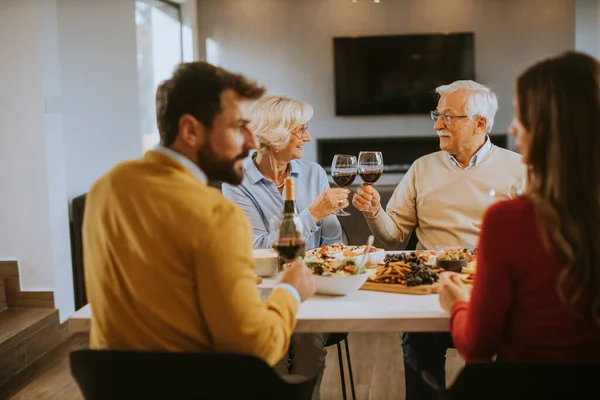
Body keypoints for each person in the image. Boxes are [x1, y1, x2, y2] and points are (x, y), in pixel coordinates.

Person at [83, 62, 316, 369]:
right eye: (237, 127)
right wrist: (289, 290)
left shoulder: (107, 187)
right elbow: (259, 347)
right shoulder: (218, 214)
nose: (251, 141)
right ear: (190, 130)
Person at [352, 80, 526, 399]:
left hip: (492, 286)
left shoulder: (518, 169)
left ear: (480, 123)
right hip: (430, 286)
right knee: (417, 343)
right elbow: (393, 237)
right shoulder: (422, 168)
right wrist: (374, 210)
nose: (437, 125)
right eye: (437, 114)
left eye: (448, 116)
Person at [438, 51, 600, 363]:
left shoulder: (509, 221)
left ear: (548, 128)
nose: (513, 129)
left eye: (521, 116)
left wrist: (457, 304)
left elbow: (478, 347)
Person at [222, 95, 349, 400]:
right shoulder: (236, 183)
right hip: (263, 294)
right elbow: (257, 250)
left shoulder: (313, 173)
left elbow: (334, 244)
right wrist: (313, 214)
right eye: (300, 129)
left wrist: (332, 231)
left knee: (306, 338)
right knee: (270, 341)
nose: (307, 136)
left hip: (314, 290)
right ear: (276, 134)